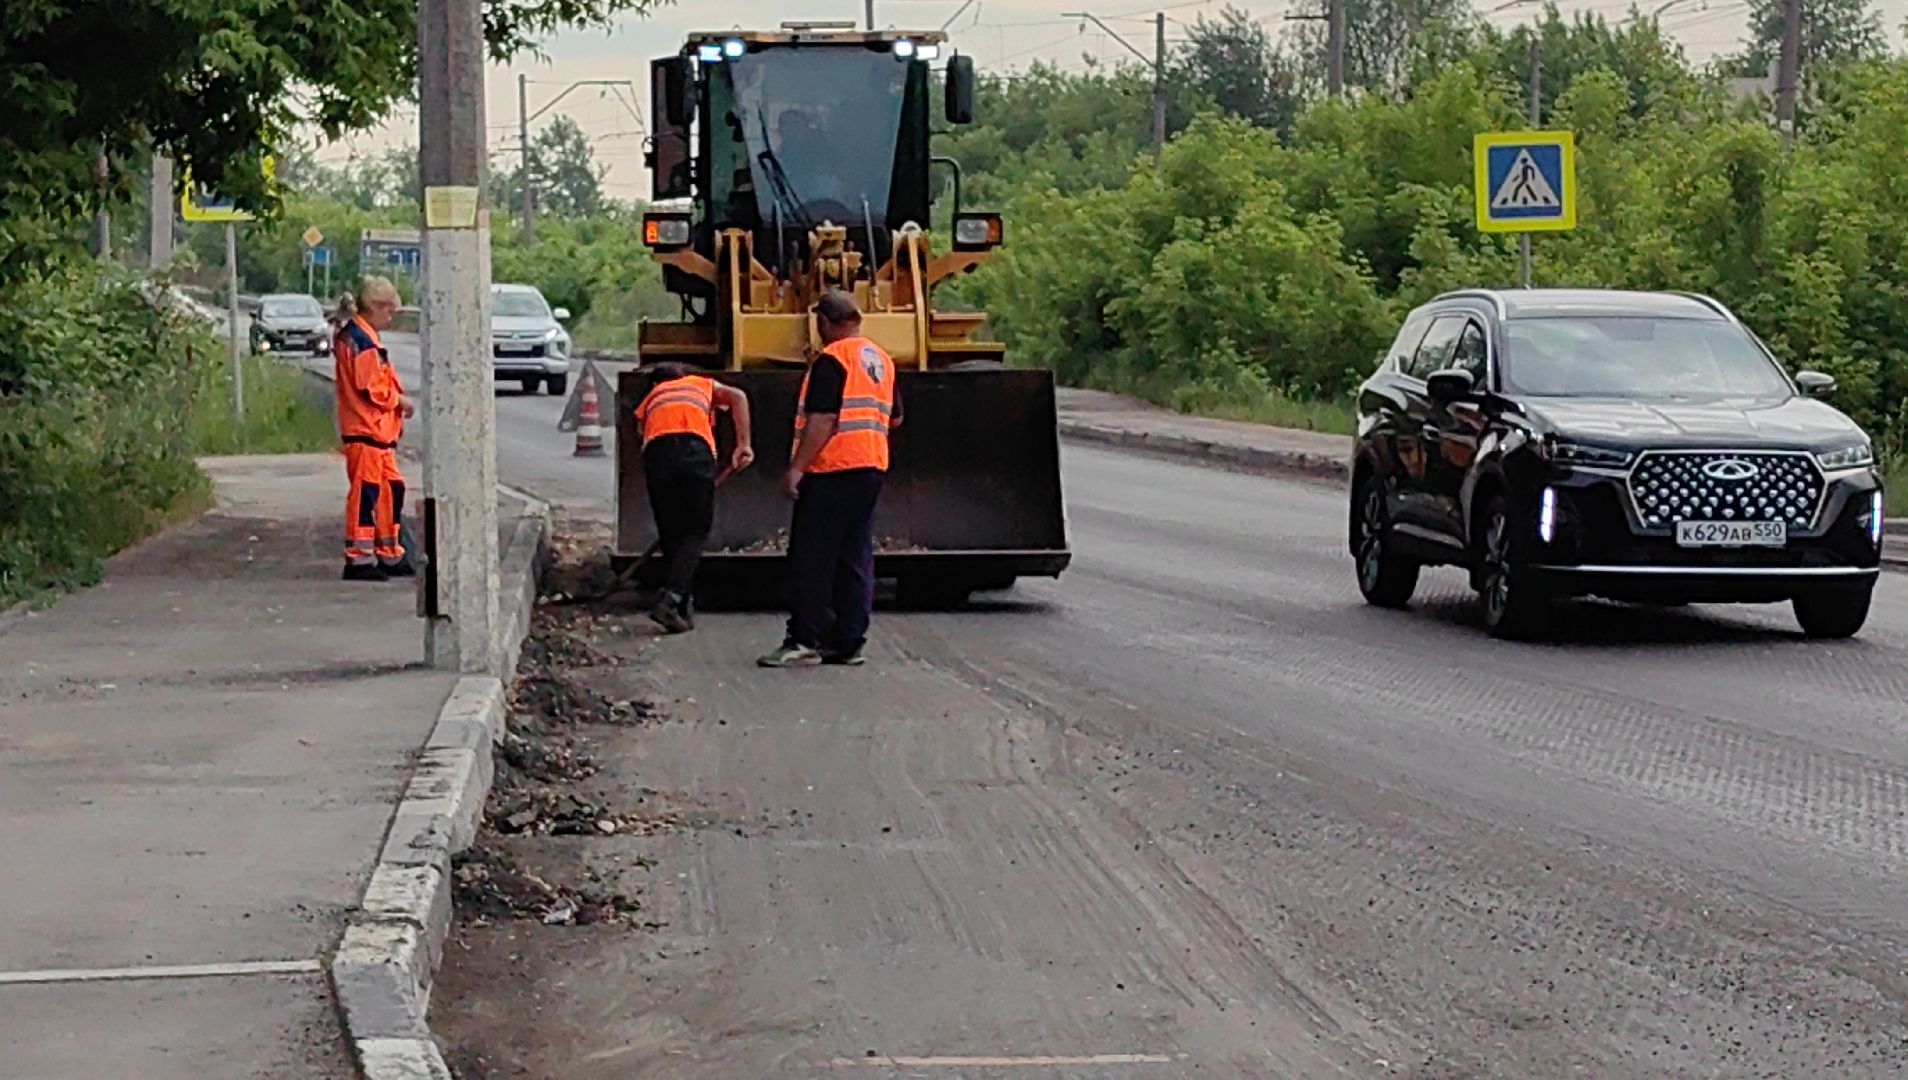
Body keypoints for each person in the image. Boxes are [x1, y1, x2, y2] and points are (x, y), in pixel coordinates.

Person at [758, 290, 903, 668]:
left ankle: (803, 639)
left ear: (823, 323)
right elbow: (896, 417)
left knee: (812, 557)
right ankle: (848, 642)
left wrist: (797, 467)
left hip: (832, 470)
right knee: (854, 558)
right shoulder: (881, 361)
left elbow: (823, 419)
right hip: (871, 468)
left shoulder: (832, 360)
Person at [634, 363, 755, 633]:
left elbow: (642, 435)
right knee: (695, 530)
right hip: (694, 453)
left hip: (658, 456)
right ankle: (673, 597)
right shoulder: (700, 384)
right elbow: (739, 396)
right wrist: (743, 444)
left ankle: (680, 603)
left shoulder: (650, 399)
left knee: (670, 531)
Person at [333, 276, 415, 581]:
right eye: (390, 311)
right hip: (366, 432)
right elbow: (371, 389)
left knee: (389, 491)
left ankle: (389, 553)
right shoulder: (362, 342)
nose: (391, 317)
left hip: (377, 436)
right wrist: (400, 402)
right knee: (366, 496)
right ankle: (359, 559)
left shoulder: (359, 337)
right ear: (377, 306)